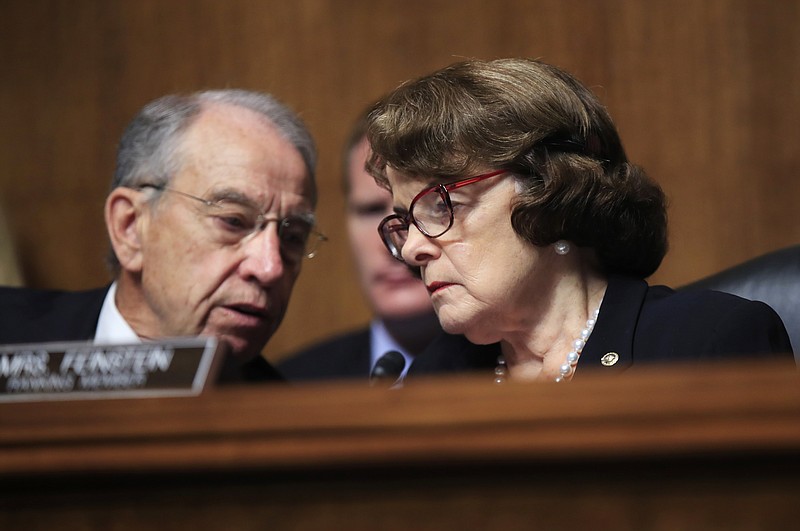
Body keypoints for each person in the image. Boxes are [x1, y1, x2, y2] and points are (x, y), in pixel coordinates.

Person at [364, 58, 793, 383]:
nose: (412, 249)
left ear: (549, 190)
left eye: (441, 203)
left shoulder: (707, 346)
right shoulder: (436, 379)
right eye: (404, 222)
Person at [0, 89, 326, 383]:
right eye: (233, 221)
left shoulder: (290, 425)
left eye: (293, 237)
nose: (270, 268)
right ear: (130, 227)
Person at [279, 108, 441, 382]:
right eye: (370, 210)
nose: (396, 240)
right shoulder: (290, 388)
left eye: (419, 208)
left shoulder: (523, 373)